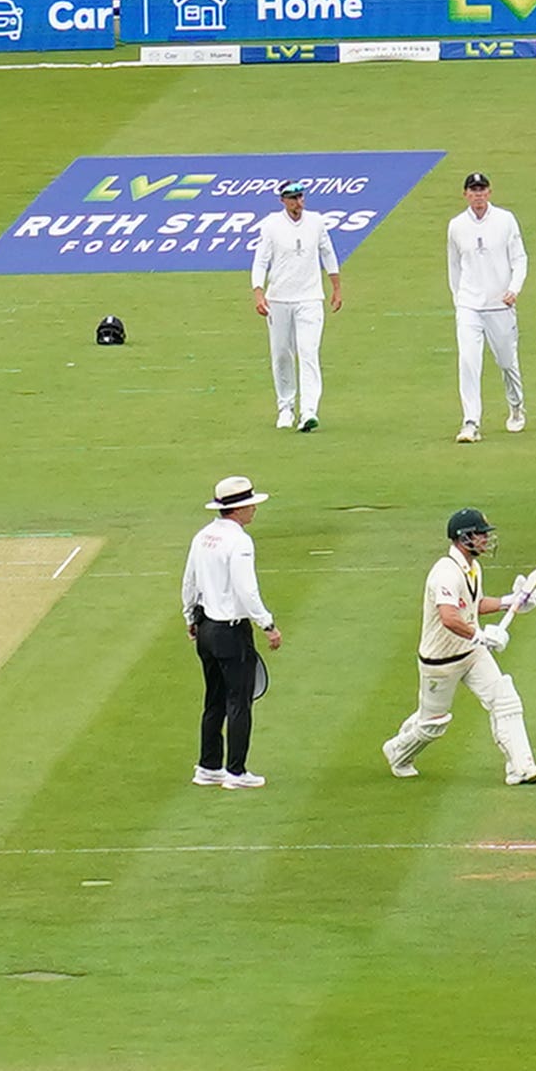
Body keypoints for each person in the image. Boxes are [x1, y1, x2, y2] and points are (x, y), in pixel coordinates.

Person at [383, 507, 536, 786]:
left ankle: (521, 768)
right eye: (481, 535)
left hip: (471, 653)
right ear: (464, 537)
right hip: (441, 660)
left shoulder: (472, 567)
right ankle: (398, 752)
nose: (485, 540)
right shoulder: (445, 572)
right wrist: (480, 637)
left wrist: (511, 601)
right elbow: (448, 617)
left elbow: (475, 605)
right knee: (433, 724)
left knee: (505, 698)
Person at [181, 473, 280, 788]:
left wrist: (190, 618)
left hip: (206, 628)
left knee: (215, 699)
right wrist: (267, 624)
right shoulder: (239, 541)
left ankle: (209, 767)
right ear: (238, 509)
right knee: (239, 701)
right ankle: (236, 772)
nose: (254, 509)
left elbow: (189, 581)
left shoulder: (203, 535)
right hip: (231, 631)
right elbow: (246, 589)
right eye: (250, 505)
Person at [243, 177, 344, 433]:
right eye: (293, 198)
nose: (298, 202)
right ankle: (285, 407)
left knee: (308, 352)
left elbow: (327, 253)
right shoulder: (271, 226)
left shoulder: (317, 222)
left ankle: (309, 410)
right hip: (278, 299)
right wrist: (258, 293)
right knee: (281, 353)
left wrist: (336, 287)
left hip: (310, 298)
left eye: (301, 197)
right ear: (283, 201)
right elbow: (260, 261)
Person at [444, 168, 531, 443]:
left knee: (506, 361)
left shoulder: (505, 220)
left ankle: (516, 406)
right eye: (473, 191)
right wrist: (459, 300)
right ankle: (471, 422)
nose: (478, 195)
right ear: (465, 194)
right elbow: (454, 266)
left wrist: (513, 289)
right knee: (468, 362)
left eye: (482, 190)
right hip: (470, 305)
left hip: (500, 304)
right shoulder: (456, 225)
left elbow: (519, 258)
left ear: (489, 193)